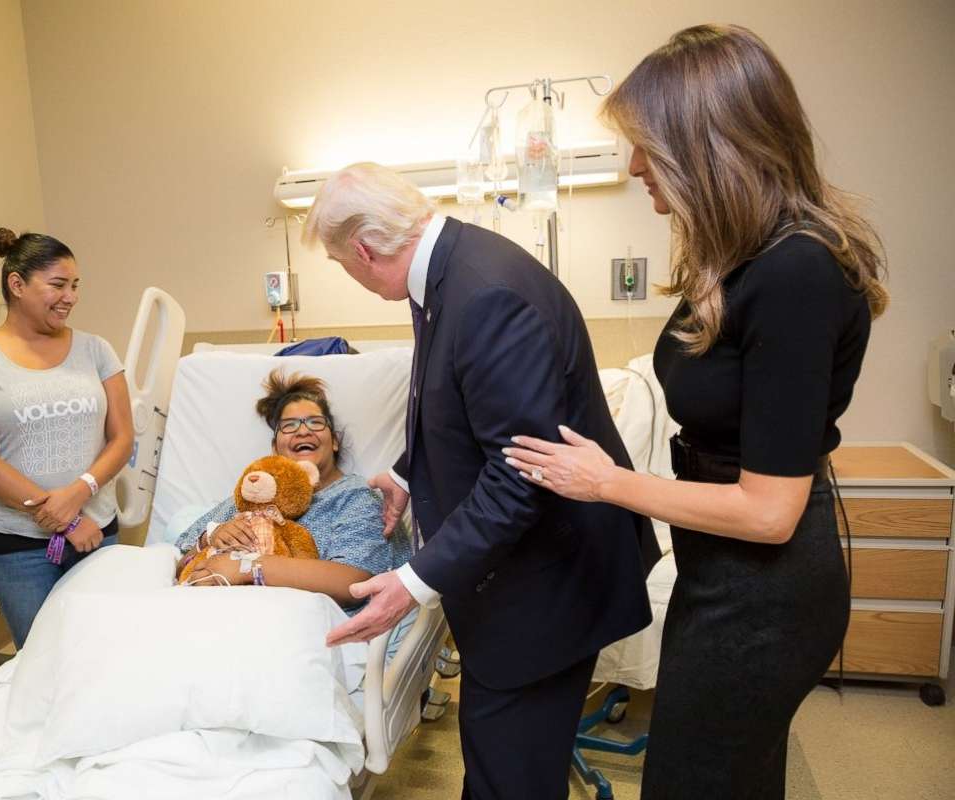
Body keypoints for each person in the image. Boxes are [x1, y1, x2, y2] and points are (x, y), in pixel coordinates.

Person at [502, 24, 888, 800]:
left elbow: (769, 510)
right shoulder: (737, 260)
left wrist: (604, 482)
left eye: (648, 145)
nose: (634, 165)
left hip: (764, 593)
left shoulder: (795, 273)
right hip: (721, 573)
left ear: (711, 144)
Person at [309, 162, 659, 798]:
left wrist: (413, 583)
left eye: (340, 264)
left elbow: (520, 473)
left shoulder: (484, 293)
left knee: (509, 778)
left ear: (363, 249)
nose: (350, 276)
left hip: (545, 587)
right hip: (527, 578)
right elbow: (462, 406)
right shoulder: (448, 274)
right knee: (506, 767)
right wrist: (408, 472)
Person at [0, 228, 135, 648]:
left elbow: (122, 437)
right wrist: (65, 518)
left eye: (75, 285)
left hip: (96, 534)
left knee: (107, 654)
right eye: (58, 285)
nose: (71, 296)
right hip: (19, 547)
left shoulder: (96, 350)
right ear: (17, 285)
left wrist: (81, 491)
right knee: (41, 663)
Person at [175, 369, 411, 611]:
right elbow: (183, 563)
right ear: (276, 448)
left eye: (316, 422)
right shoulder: (249, 497)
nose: (302, 430)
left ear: (335, 441)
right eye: (288, 426)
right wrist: (210, 538)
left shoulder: (356, 495)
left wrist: (246, 567)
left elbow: (353, 584)